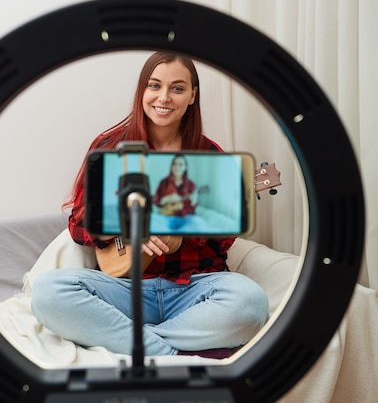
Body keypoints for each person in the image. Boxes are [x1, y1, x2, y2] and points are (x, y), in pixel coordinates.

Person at [31, 51, 269, 359]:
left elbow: (224, 241)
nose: (164, 97)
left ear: (192, 95)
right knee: (49, 292)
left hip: (193, 290)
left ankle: (128, 339)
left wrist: (183, 227)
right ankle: (173, 353)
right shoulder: (111, 147)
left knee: (251, 302)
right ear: (142, 91)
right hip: (125, 291)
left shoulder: (210, 156)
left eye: (178, 88)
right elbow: (78, 222)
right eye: (154, 86)